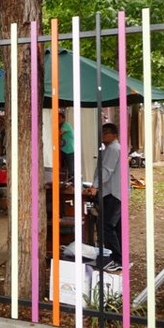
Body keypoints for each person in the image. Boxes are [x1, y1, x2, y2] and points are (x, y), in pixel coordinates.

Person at [84, 122, 125, 272]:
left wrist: (95, 186)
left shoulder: (114, 148)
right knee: (115, 227)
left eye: (107, 132)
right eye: (102, 132)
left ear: (115, 135)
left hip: (114, 193)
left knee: (107, 226)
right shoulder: (110, 149)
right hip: (114, 192)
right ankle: (120, 257)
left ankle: (116, 258)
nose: (104, 135)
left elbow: (106, 171)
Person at [59, 110, 74, 180]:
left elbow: (59, 133)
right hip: (63, 149)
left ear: (63, 118)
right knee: (63, 168)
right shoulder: (61, 125)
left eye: (59, 118)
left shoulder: (66, 125)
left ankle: (73, 183)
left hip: (69, 150)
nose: (58, 120)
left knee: (71, 168)